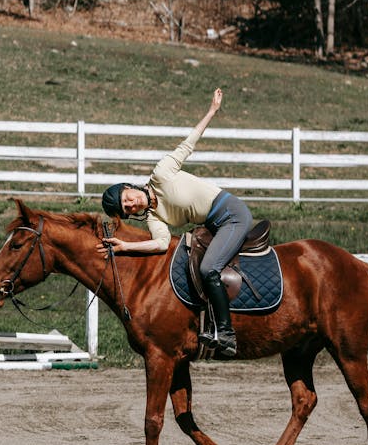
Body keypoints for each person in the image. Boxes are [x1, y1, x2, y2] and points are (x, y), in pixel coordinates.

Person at [99, 88, 253, 357]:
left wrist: (212, 111)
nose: (131, 204)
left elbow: (188, 144)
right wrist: (123, 246)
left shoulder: (161, 173)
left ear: (129, 187)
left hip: (230, 213)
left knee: (208, 269)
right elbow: (159, 244)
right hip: (212, 224)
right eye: (126, 209)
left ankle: (226, 333)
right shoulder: (153, 216)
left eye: (127, 198)